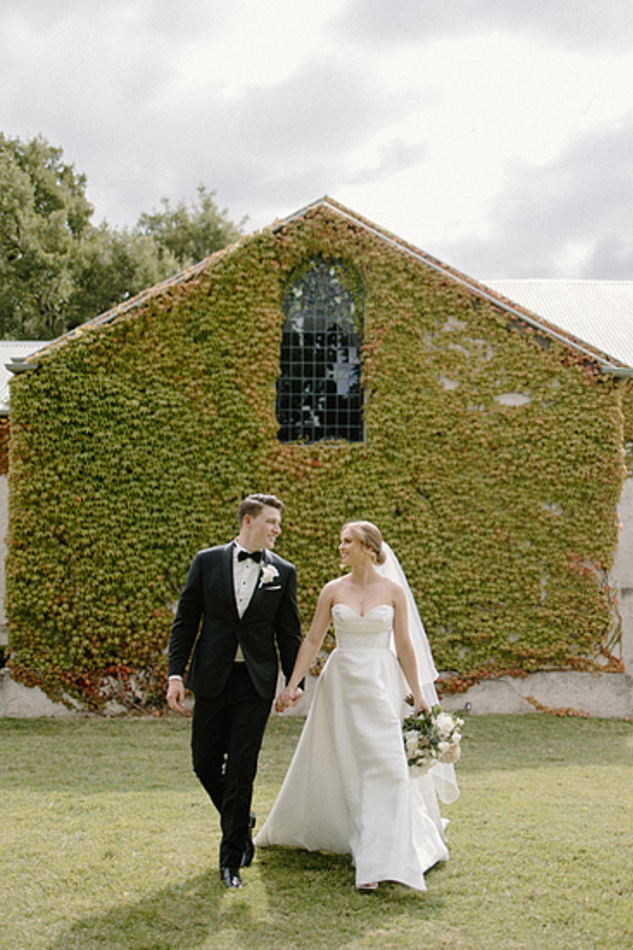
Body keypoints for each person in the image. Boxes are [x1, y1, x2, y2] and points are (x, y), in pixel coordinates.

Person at [255, 521, 459, 892]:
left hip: (381, 683)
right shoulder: (332, 590)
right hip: (342, 684)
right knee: (352, 767)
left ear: (368, 547)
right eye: (341, 541)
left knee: (389, 766)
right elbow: (314, 639)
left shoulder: (394, 592)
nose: (341, 547)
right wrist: (293, 684)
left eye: (347, 541)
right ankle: (368, 852)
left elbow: (405, 647)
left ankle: (385, 858)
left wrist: (419, 695)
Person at [166, 493, 302, 889]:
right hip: (211, 678)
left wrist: (294, 684)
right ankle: (241, 820)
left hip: (255, 684)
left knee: (242, 770)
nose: (277, 529)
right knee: (204, 763)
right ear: (248, 521)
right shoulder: (206, 561)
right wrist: (176, 674)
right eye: (271, 522)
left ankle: (231, 862)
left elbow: (289, 633)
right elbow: (185, 623)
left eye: (279, 523)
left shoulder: (284, 572)